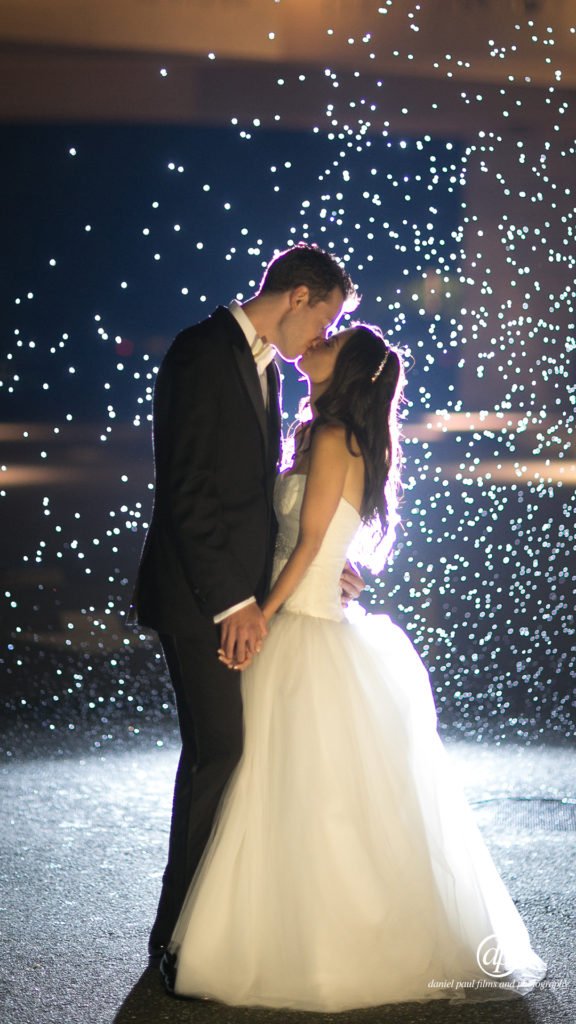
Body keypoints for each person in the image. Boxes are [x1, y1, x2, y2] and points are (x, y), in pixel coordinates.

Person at [162, 324, 547, 1011]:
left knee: (309, 794)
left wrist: (261, 615)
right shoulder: (316, 431)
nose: (317, 342)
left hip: (305, 626)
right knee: (275, 788)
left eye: (331, 343)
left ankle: (326, 942)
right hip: (299, 613)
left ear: (347, 372)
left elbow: (311, 544)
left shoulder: (336, 435)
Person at [130, 243, 359, 961]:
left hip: (240, 597)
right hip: (200, 597)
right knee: (220, 751)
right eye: (323, 320)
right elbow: (189, 490)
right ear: (298, 296)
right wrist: (234, 604)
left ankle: (198, 932)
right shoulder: (201, 351)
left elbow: (255, 499)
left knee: (228, 752)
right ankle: (177, 940)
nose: (321, 336)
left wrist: (322, 563)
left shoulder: (269, 369)